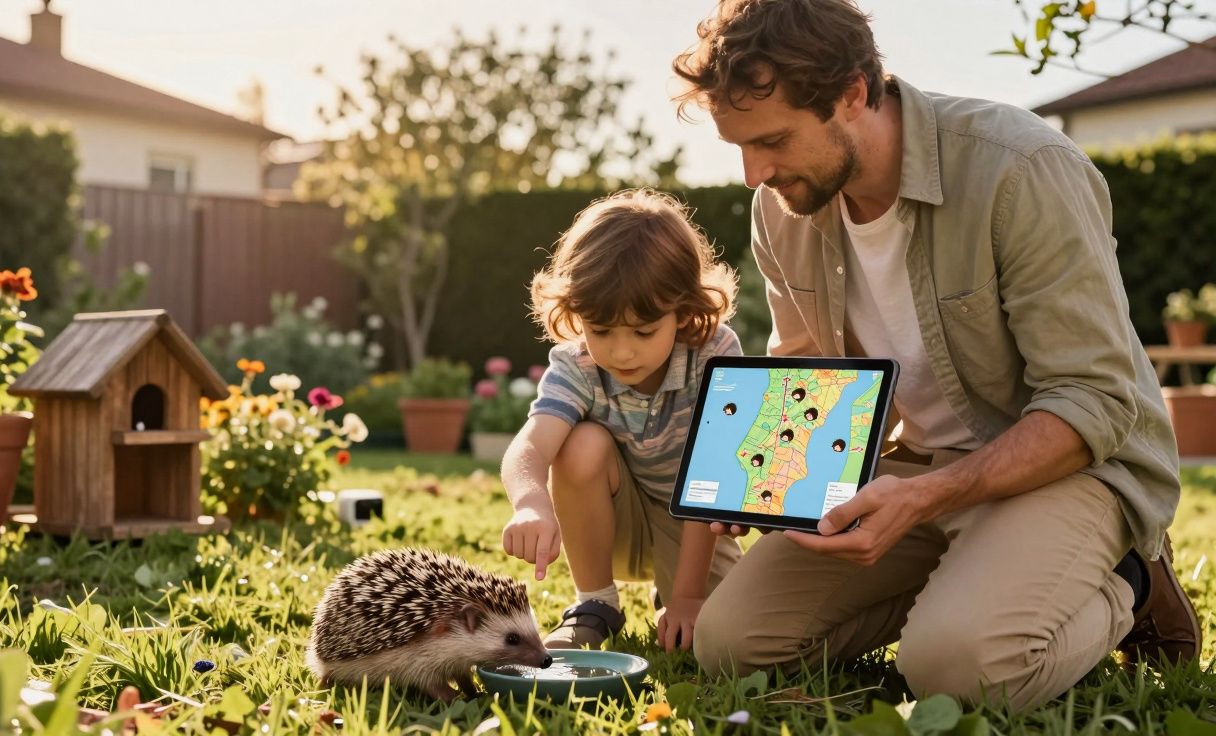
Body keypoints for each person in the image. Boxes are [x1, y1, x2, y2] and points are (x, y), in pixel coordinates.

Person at [671, 0, 1198, 710]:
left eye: (771, 140)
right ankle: (969, 577)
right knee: (734, 643)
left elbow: (1094, 400)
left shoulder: (1022, 171)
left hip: (1072, 468)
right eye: (738, 145)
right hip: (915, 473)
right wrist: (767, 481)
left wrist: (925, 498)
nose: (751, 172)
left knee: (956, 675)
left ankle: (1130, 583)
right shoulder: (785, 206)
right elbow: (808, 372)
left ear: (853, 94)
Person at [500, 188, 744, 653]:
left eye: (644, 330)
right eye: (601, 330)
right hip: (609, 522)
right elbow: (530, 447)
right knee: (581, 442)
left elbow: (713, 475)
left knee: (713, 637)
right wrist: (530, 503)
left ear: (684, 310)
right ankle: (596, 605)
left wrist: (689, 596)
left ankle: (672, 589)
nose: (622, 351)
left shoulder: (714, 352)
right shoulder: (578, 366)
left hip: (693, 523)